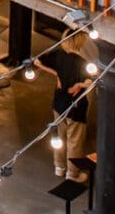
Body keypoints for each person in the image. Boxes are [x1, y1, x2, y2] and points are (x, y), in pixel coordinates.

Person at [40, 29, 93, 181]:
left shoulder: (58, 55)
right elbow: (91, 80)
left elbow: (38, 62)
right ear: (80, 42)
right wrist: (80, 86)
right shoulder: (82, 63)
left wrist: (56, 74)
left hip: (59, 102)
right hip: (76, 106)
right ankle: (72, 173)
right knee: (74, 141)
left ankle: (59, 167)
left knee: (59, 136)